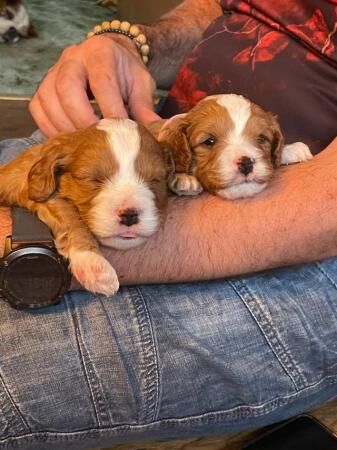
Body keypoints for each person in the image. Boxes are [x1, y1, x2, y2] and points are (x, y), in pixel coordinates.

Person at [1, 1, 337, 449]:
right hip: (151, 141)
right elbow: (232, 9)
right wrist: (131, 44)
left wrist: (42, 247)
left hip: (296, 230)